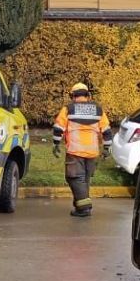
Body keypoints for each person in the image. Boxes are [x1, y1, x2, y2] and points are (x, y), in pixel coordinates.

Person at [52, 83, 113, 217]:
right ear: (87, 95)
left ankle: (84, 208)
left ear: (73, 96)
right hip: (92, 152)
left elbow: (58, 128)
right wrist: (107, 147)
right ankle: (80, 206)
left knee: (74, 178)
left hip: (75, 150)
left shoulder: (69, 109)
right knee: (84, 179)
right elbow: (107, 130)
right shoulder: (98, 109)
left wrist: (56, 144)